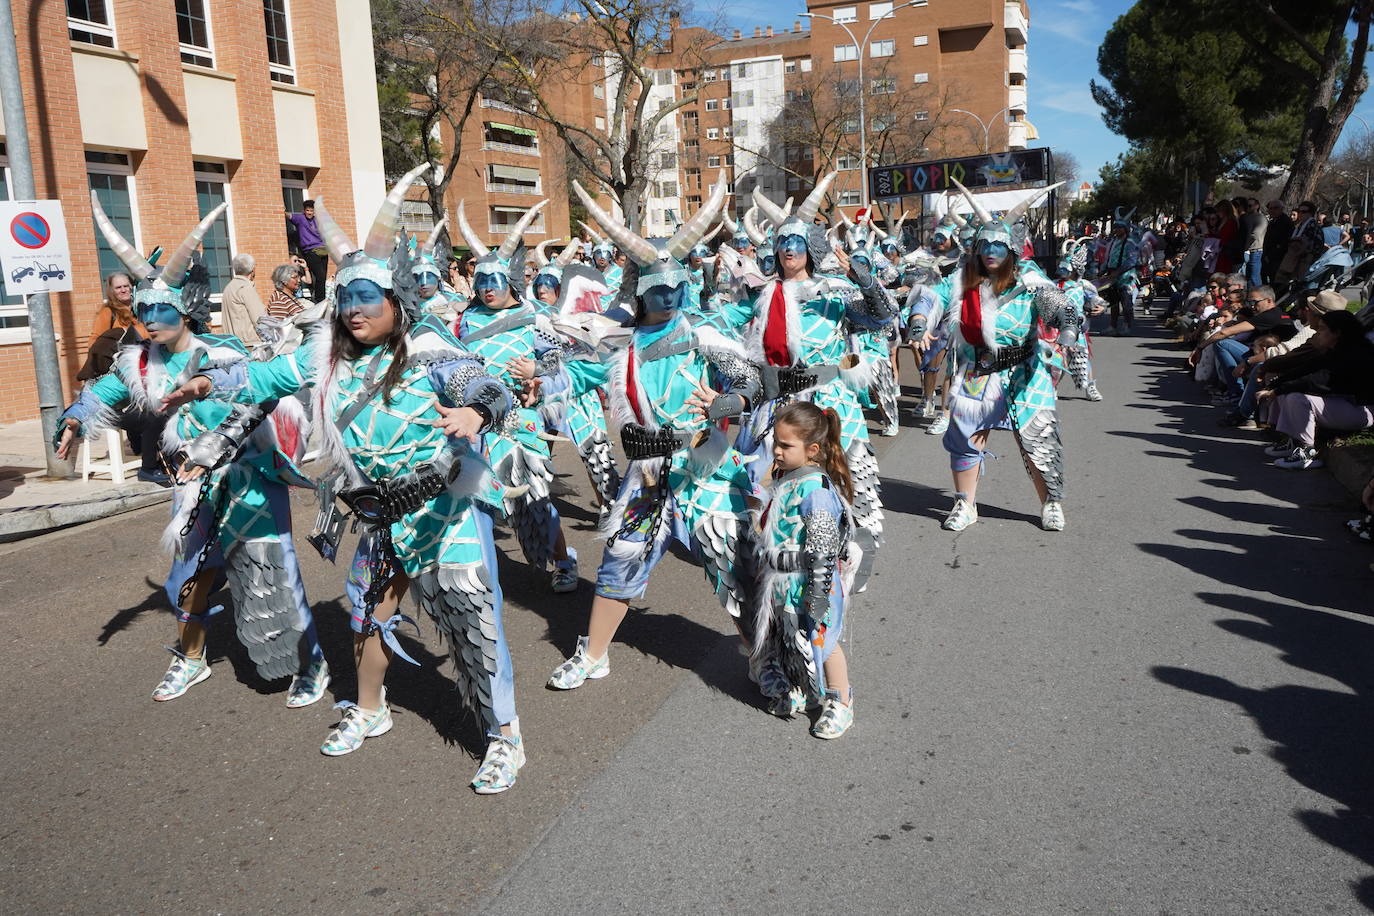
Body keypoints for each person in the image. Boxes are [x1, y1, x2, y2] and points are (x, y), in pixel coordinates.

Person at [168, 165, 527, 792]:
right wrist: (206, 383)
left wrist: (477, 411)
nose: (355, 309)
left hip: (443, 512)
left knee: (473, 622)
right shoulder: (322, 361)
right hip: (382, 516)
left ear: (398, 304)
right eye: (348, 298)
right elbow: (257, 380)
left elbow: (488, 386)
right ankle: (368, 709)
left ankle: (504, 738)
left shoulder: (431, 352)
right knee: (365, 615)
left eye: (369, 298)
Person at [57, 192, 328, 708]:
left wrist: (210, 391)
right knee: (186, 579)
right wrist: (75, 415)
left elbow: (265, 395)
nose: (151, 320)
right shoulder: (139, 362)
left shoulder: (224, 354)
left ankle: (310, 662)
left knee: (273, 574)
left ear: (185, 310)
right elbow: (107, 391)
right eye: (143, 311)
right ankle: (191, 658)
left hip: (247, 482)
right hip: (193, 488)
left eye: (162, 310)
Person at [547, 175, 763, 695]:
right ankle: (594, 654)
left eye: (677, 286)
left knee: (733, 567)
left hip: (703, 465)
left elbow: (750, 379)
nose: (670, 296)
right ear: (638, 290)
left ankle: (764, 658)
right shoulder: (615, 339)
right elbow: (574, 375)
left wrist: (728, 401)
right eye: (658, 288)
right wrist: (539, 381)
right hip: (645, 476)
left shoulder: (702, 331)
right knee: (620, 558)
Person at [452, 199, 586, 593]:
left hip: (521, 420)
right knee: (474, 497)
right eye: (481, 281)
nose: (487, 289)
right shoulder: (466, 319)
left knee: (536, 496)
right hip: (477, 423)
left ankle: (563, 560)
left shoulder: (532, 316)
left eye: (494, 281)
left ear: (510, 281)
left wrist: (536, 374)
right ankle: (478, 570)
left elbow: (563, 360)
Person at [930, 178, 1078, 532]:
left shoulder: (1028, 276)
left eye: (999, 245)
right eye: (985, 245)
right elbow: (932, 294)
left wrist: (1067, 325)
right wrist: (919, 319)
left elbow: (1056, 303)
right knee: (965, 437)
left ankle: (1051, 501)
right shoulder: (964, 277)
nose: (991, 251)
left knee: (1038, 437)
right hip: (979, 369)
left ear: (1012, 249)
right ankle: (965, 504)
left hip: (1025, 368)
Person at [751, 401, 858, 736]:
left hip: (811, 582)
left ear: (812, 449)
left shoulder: (817, 492)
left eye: (785, 446)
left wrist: (818, 595)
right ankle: (808, 691)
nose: (777, 451)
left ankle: (841, 701)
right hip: (784, 582)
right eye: (775, 443)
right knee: (794, 636)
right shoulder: (787, 479)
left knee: (824, 642)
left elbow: (823, 553)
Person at [1259, 310, 1374, 469]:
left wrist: (1277, 390)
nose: (1317, 332)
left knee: (1297, 398)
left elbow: (1318, 380)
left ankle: (1307, 452)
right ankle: (1294, 443)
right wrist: (1274, 385)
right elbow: (1305, 369)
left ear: (1337, 333)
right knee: (1286, 391)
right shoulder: (1337, 349)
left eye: (1322, 329)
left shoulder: (1355, 354)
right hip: (1344, 404)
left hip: (1362, 411)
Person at [286, 200, 329, 303]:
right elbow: (288, 215)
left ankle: (320, 297)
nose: (309, 213)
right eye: (307, 210)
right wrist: (281, 209)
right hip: (310, 251)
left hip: (323, 251)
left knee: (322, 277)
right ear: (304, 211)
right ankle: (319, 300)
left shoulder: (318, 220)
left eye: (312, 211)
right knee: (320, 275)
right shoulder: (300, 218)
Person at [219, 254, 265, 346]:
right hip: (250, 344)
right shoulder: (245, 288)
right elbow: (259, 319)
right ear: (252, 269)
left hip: (233, 344)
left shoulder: (228, 287)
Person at [87, 271, 141, 349]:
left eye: (126, 286)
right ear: (112, 291)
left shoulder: (140, 309)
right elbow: (94, 343)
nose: (123, 290)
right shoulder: (108, 312)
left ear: (132, 287)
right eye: (118, 287)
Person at [1237, 197, 1267, 289]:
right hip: (1247, 250)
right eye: (1246, 206)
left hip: (1256, 251)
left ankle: (1258, 297)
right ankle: (1250, 298)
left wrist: (1245, 245)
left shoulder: (1261, 218)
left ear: (1257, 206)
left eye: (1250, 205)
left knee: (1254, 277)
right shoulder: (1245, 217)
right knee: (1247, 277)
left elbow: (1255, 234)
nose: (1248, 208)